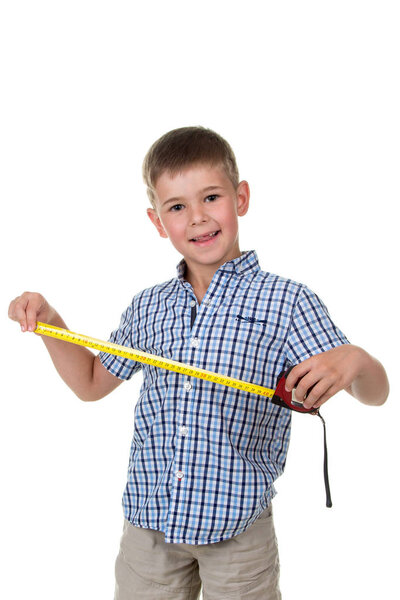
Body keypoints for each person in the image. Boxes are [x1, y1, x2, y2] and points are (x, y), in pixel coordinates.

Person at [8, 126, 389, 599]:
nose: (197, 218)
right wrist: (51, 323)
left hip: (238, 536)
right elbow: (89, 384)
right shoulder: (148, 306)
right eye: (177, 207)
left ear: (241, 197)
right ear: (156, 220)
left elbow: (376, 393)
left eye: (211, 197)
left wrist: (355, 359)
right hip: (149, 531)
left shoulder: (287, 302)